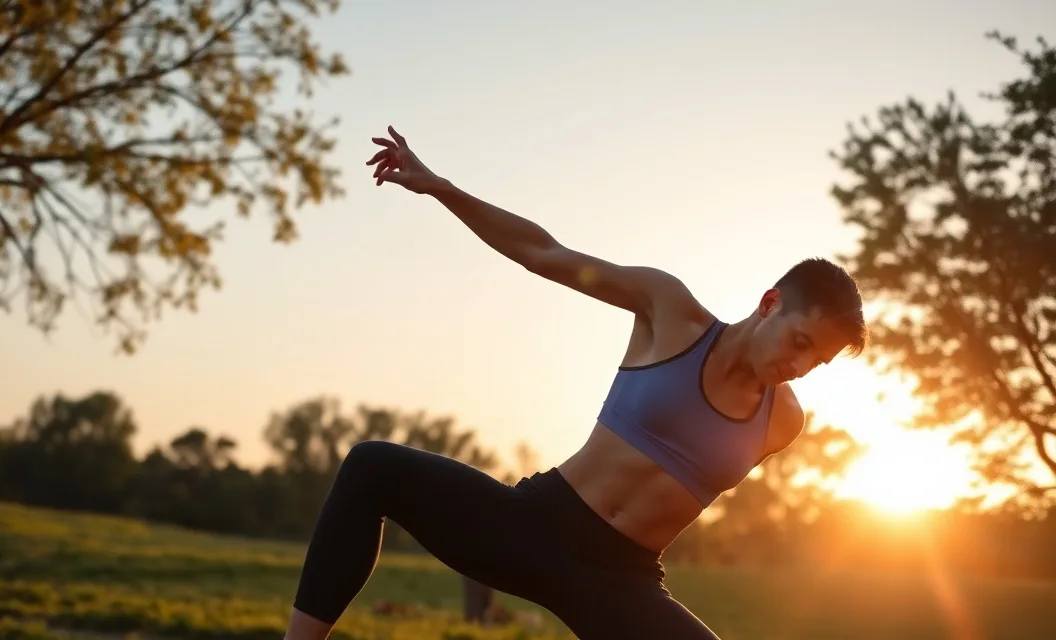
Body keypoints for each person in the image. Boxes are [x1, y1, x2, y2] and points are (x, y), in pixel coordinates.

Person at [282, 126, 868, 640]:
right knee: (371, 467)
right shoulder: (669, 312)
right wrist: (439, 187)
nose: (800, 365)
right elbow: (542, 252)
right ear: (769, 304)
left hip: (624, 581)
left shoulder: (782, 422)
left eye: (816, 361)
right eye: (800, 341)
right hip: (537, 525)